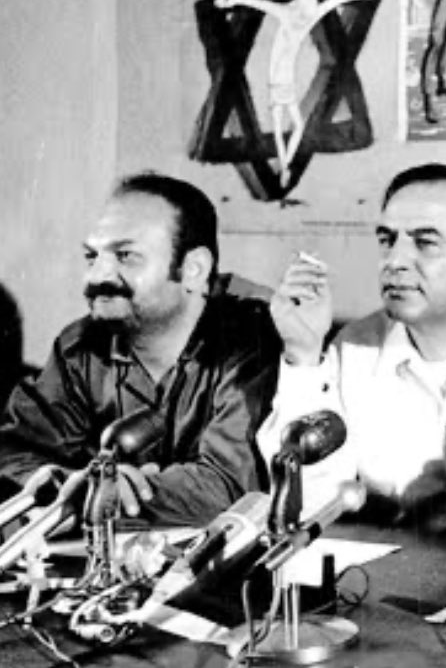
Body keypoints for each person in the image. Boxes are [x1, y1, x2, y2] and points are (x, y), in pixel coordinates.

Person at [257, 164, 446, 534]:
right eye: (387, 240)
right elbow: (312, 505)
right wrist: (303, 354)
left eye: (425, 242)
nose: (394, 261)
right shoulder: (356, 348)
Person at [0, 173, 281, 525]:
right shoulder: (81, 346)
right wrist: (53, 482)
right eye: (92, 256)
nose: (96, 276)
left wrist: (116, 492)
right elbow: (16, 449)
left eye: (126, 256)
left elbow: (230, 485)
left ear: (193, 270)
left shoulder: (254, 341)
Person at [215, 0, 382, 185]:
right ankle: (285, 165)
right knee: (282, 129)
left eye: (309, 14)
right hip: (278, 84)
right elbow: (260, 4)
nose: (306, 19)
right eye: (305, 13)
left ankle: (285, 165)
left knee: (295, 127)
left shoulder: (308, 16)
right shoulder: (286, 13)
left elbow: (333, 2)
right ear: (298, 7)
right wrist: (233, 0)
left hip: (285, 83)